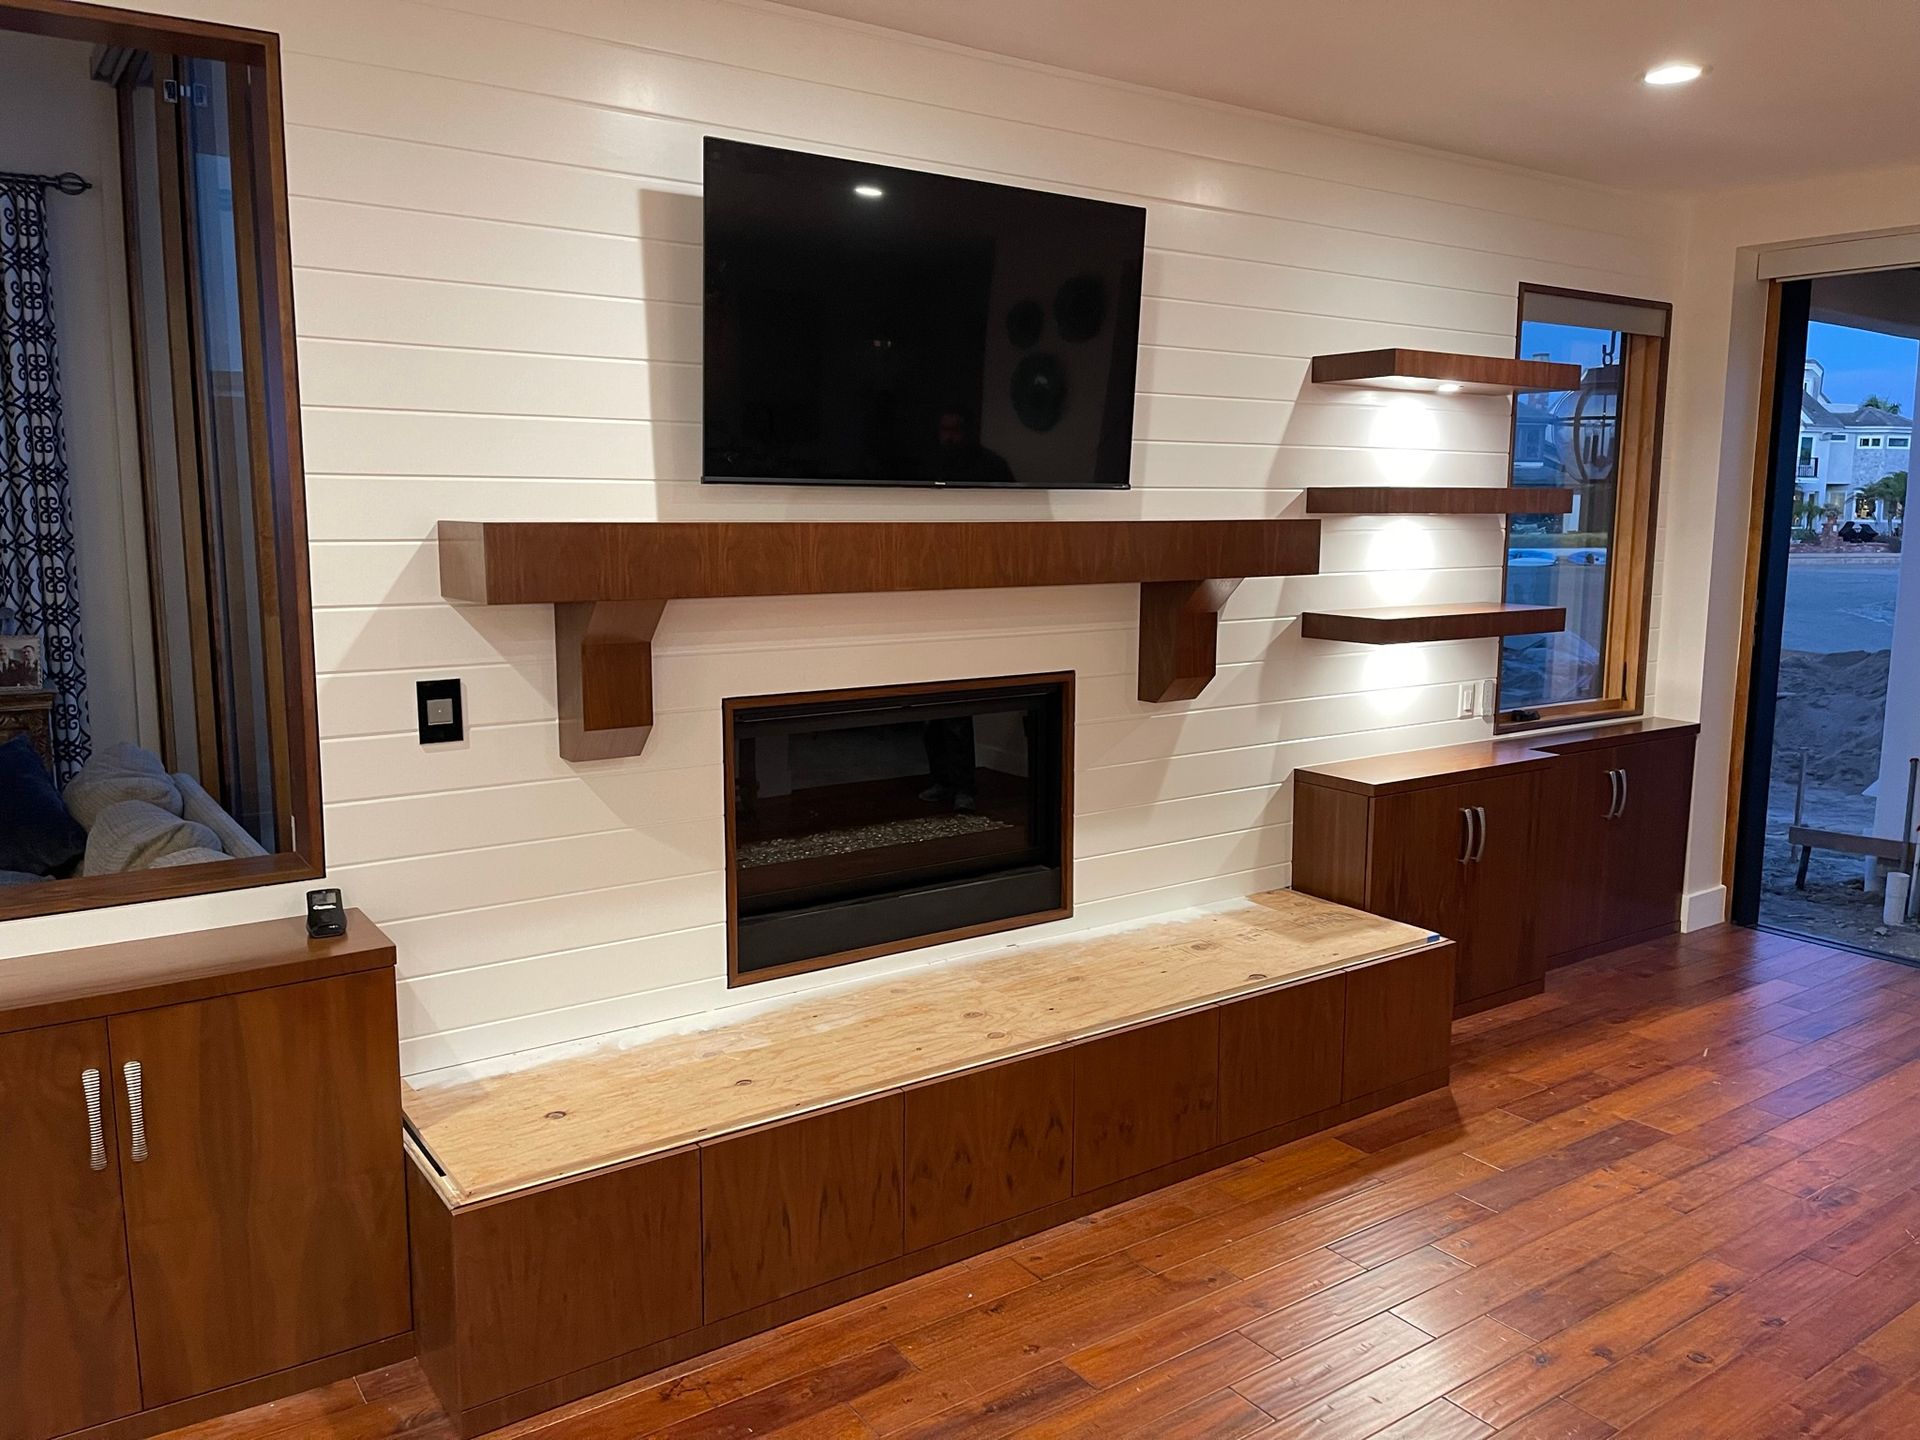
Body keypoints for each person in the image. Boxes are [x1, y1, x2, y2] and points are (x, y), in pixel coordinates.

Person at [932, 406, 1016, 486]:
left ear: (968, 431)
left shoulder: (993, 465)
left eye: (956, 430)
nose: (949, 436)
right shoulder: (930, 462)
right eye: (945, 429)